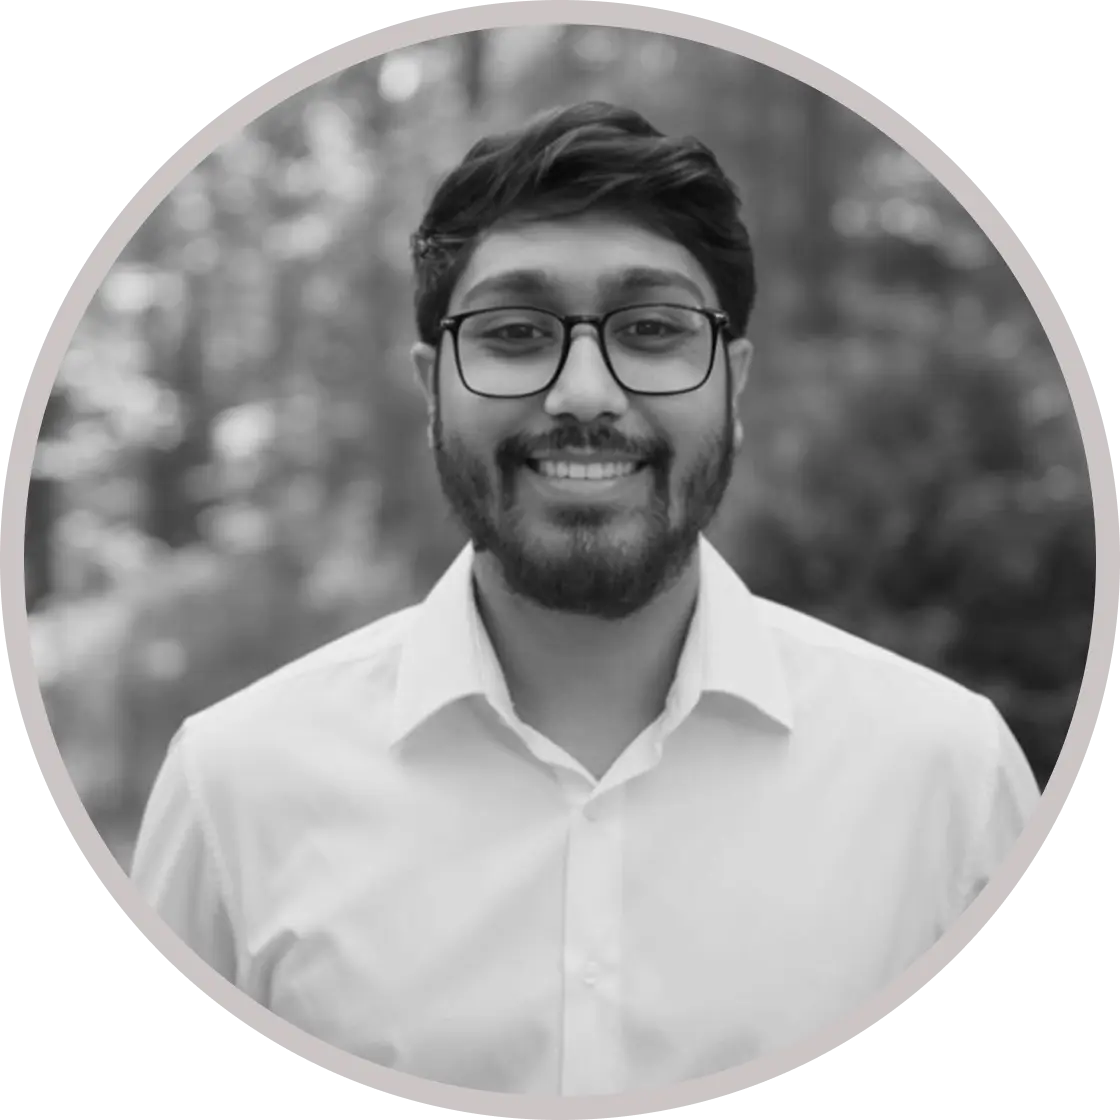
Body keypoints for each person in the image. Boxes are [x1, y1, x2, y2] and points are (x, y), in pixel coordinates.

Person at [130, 101, 1042, 1098]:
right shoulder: (237, 786)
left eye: (650, 330)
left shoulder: (946, 780)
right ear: (432, 388)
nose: (583, 393)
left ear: (733, 383)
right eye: (516, 333)